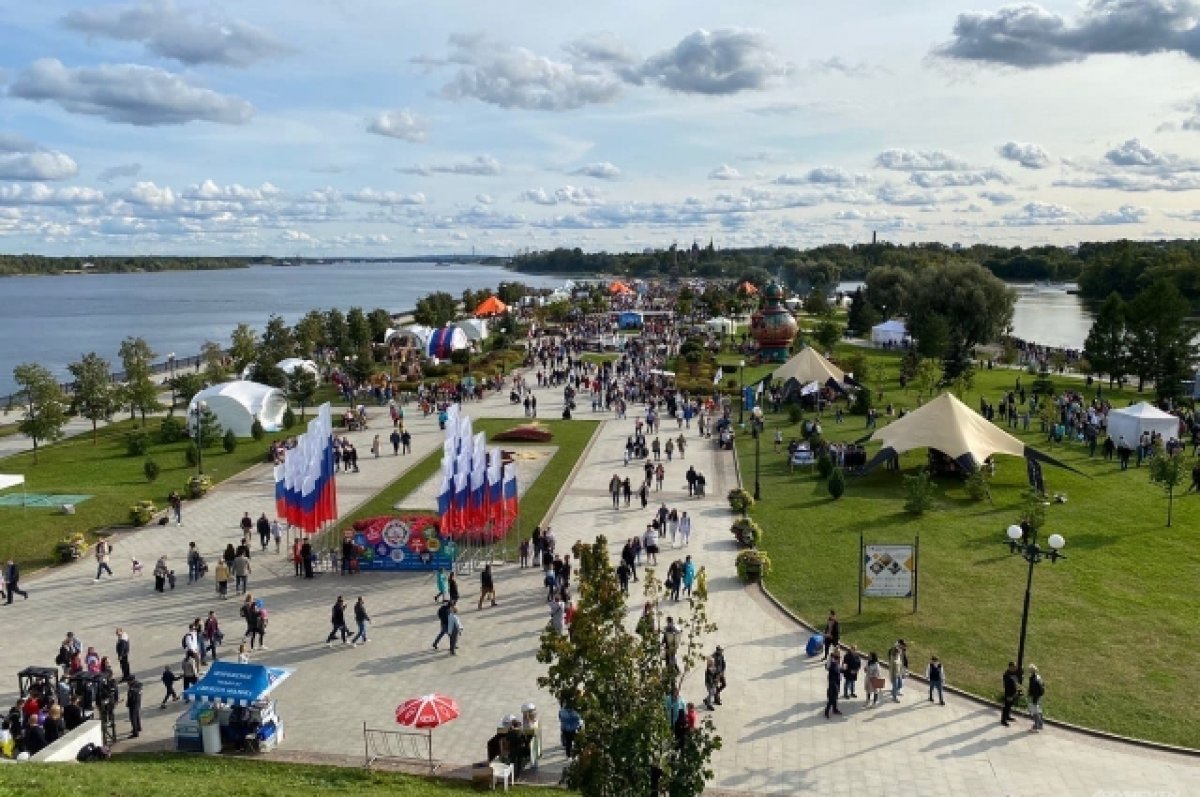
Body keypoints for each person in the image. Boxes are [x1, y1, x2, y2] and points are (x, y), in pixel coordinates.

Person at [824, 649, 843, 718]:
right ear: (836, 659)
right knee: (832, 698)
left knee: (835, 697)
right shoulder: (833, 666)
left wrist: (842, 670)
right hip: (833, 684)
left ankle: (835, 709)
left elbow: (839, 670)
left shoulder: (836, 665)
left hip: (836, 683)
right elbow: (834, 674)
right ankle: (827, 711)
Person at [1001, 661, 1021, 726]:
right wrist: (1009, 695)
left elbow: (1016, 682)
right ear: (1010, 667)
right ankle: (1003, 720)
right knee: (1006, 706)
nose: (1015, 668)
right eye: (1014, 667)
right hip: (1009, 693)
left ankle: (1008, 716)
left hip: (1013, 692)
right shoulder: (1006, 675)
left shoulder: (1014, 673)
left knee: (1009, 705)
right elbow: (1006, 686)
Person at [1027, 664, 1046, 732]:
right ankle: (1040, 724)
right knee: (1039, 711)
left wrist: (1033, 700)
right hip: (1040, 697)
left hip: (1035, 697)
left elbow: (1034, 691)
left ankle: (1036, 726)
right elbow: (1043, 685)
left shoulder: (1034, 680)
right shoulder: (1038, 677)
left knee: (1035, 712)